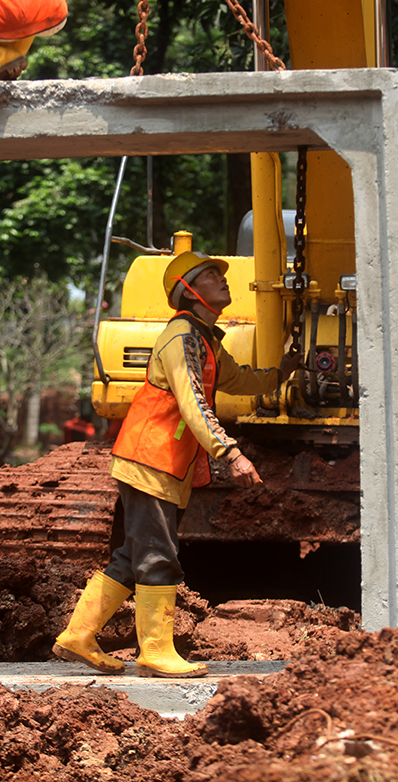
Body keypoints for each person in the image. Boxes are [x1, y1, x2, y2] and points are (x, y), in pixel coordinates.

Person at [54, 251, 301, 679]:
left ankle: (78, 636)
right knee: (157, 556)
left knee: (133, 556)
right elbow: (194, 403)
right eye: (210, 275)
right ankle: (154, 652)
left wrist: (283, 372)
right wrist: (232, 452)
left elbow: (238, 379)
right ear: (188, 291)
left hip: (160, 462)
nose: (223, 280)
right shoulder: (182, 336)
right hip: (151, 459)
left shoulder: (204, 337)